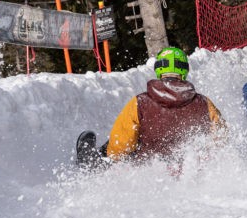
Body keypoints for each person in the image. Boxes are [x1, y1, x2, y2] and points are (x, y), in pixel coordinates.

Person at [77, 46, 226, 169]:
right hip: (188, 171)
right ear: (184, 70)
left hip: (148, 172)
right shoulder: (205, 104)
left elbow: (120, 147)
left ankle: (91, 164)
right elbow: (221, 138)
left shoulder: (140, 103)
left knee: (121, 144)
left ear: (159, 70)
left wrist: (108, 154)